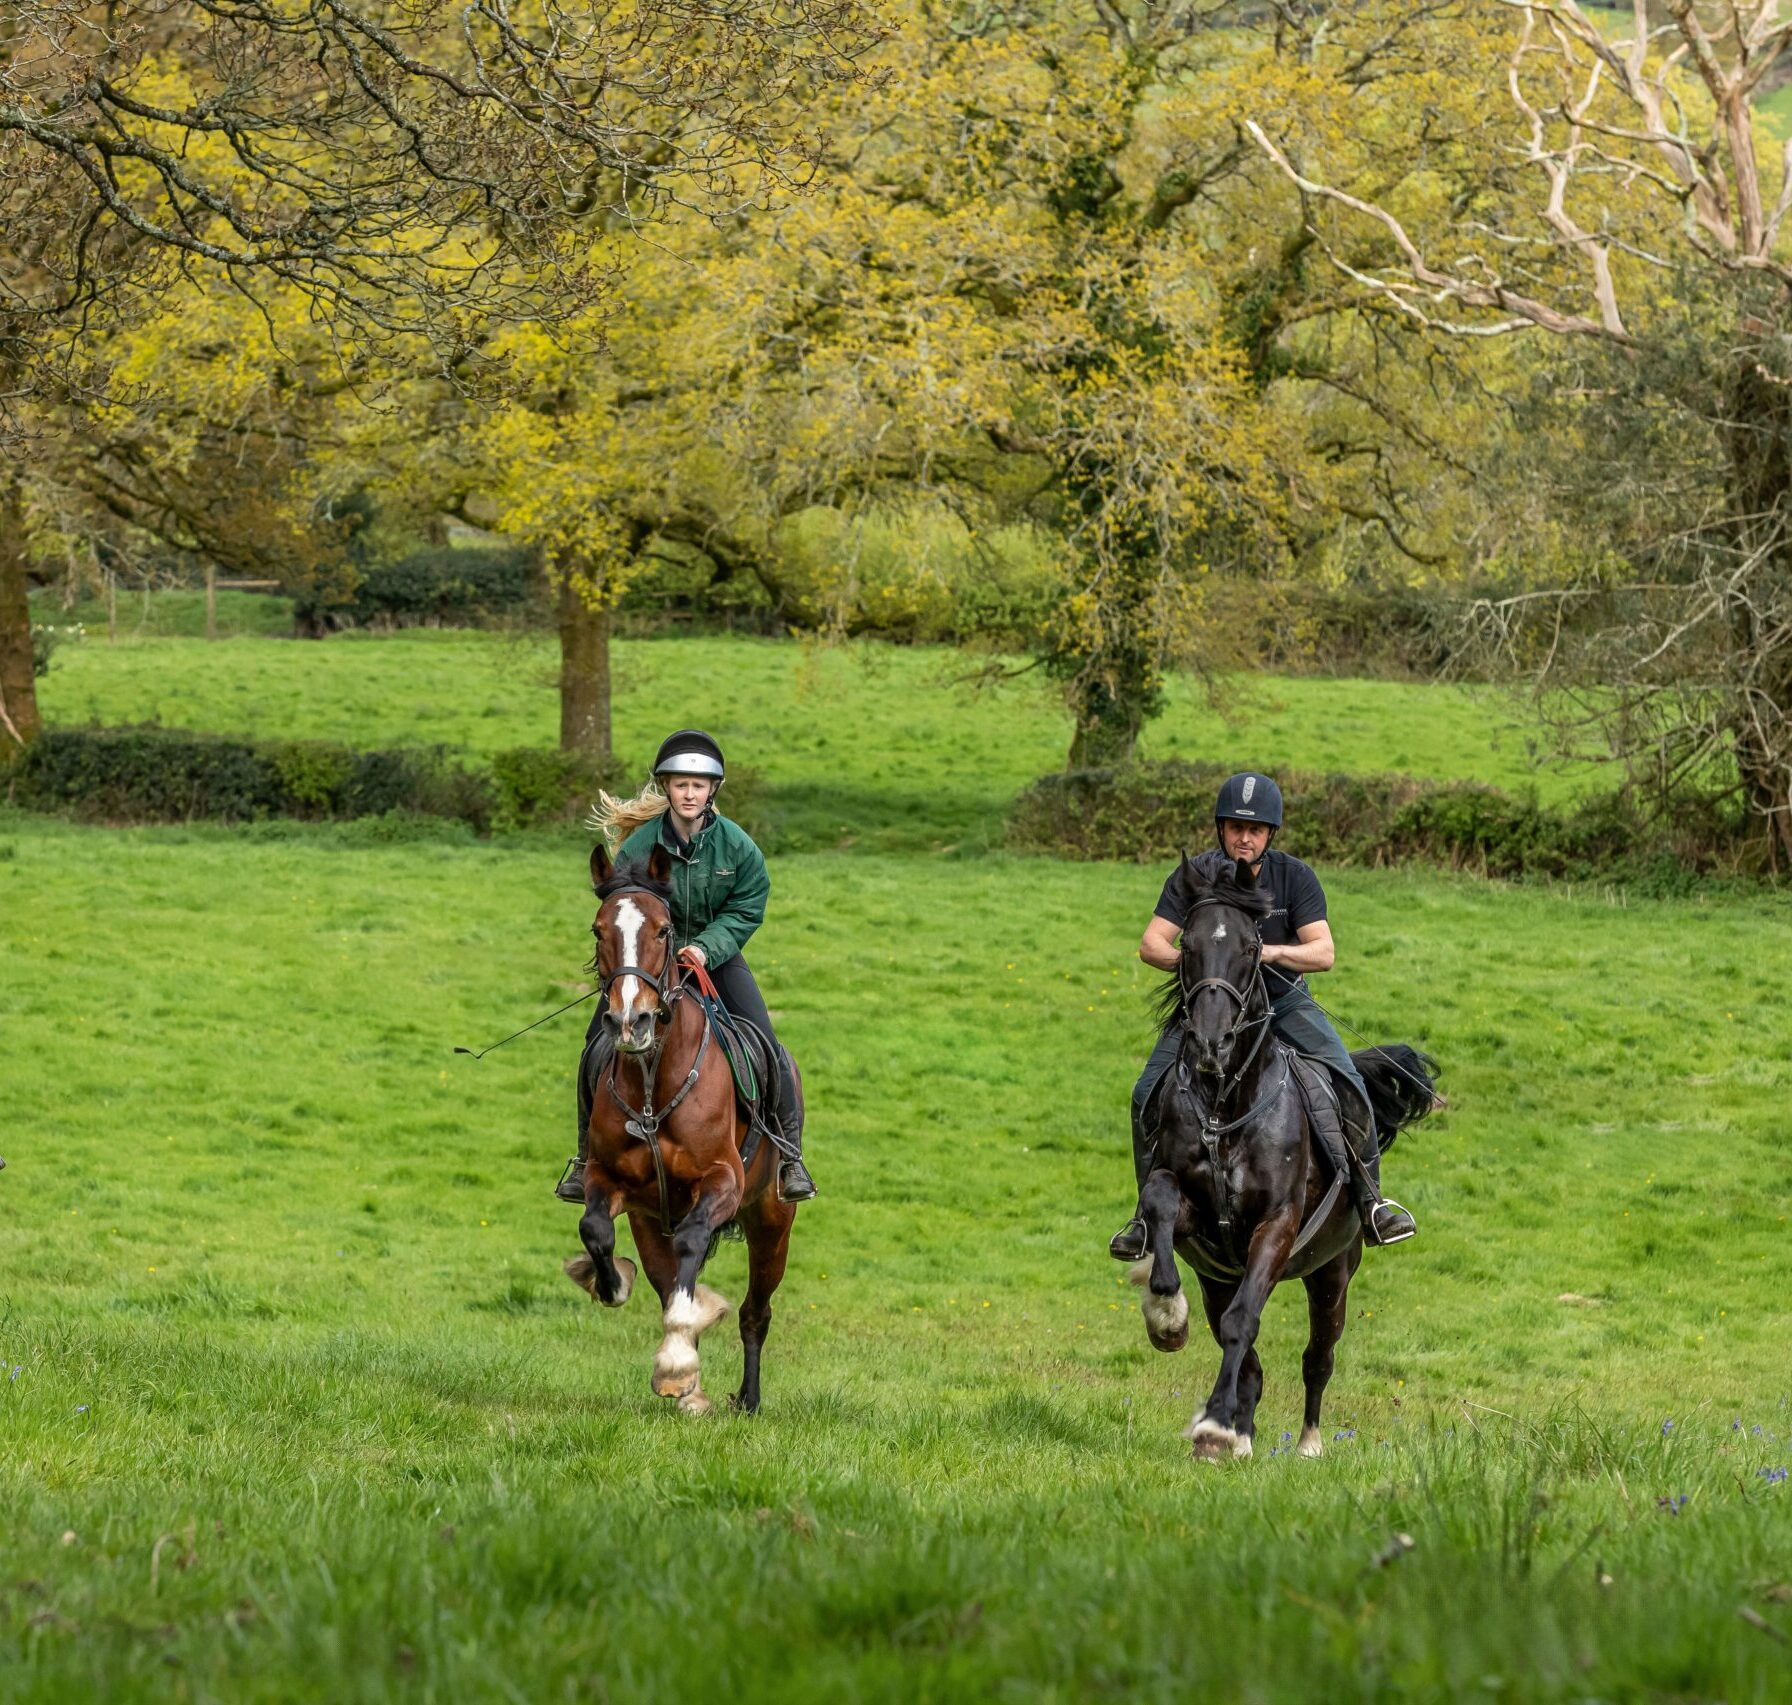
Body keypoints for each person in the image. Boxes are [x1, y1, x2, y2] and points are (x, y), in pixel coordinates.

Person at [1108, 771, 1415, 1260]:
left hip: (1283, 1002)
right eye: (1234, 827)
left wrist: (1264, 954)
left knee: (1349, 1081)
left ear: (1270, 834)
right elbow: (1151, 944)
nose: (1243, 838)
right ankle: (1144, 1219)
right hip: (1209, 1007)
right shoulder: (1194, 876)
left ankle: (1373, 1202)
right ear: (1220, 829)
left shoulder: (1294, 877)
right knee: (1146, 1091)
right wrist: (1203, 965)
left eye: (1254, 830)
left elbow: (1323, 952)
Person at [555, 728, 817, 1205]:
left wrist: (706, 948)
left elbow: (748, 905)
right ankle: (582, 1159)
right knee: (596, 1046)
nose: (689, 793)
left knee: (767, 1043)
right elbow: (624, 909)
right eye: (680, 785)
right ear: (666, 788)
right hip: (652, 965)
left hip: (715, 960)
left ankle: (790, 1156)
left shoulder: (737, 846)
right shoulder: (639, 847)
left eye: (698, 785)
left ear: (712, 790)